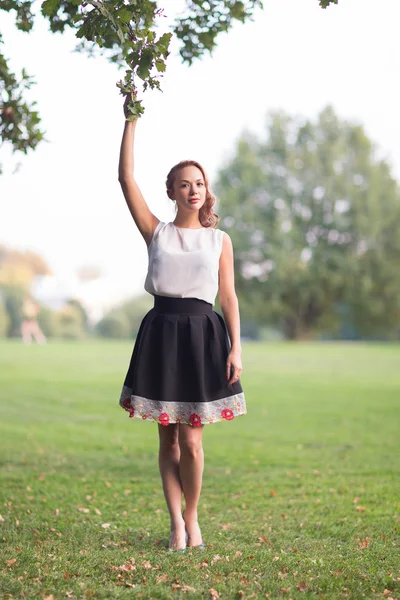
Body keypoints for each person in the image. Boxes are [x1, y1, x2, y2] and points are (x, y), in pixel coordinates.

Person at [117, 92, 247, 553]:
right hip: (161, 335)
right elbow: (125, 177)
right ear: (171, 191)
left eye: (199, 183)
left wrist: (235, 347)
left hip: (204, 336)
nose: (193, 189)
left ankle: (193, 518)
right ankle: (175, 523)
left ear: (204, 190)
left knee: (192, 442)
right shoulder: (157, 231)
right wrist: (131, 118)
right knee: (168, 439)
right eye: (183, 183)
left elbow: (228, 296)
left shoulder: (219, 240)